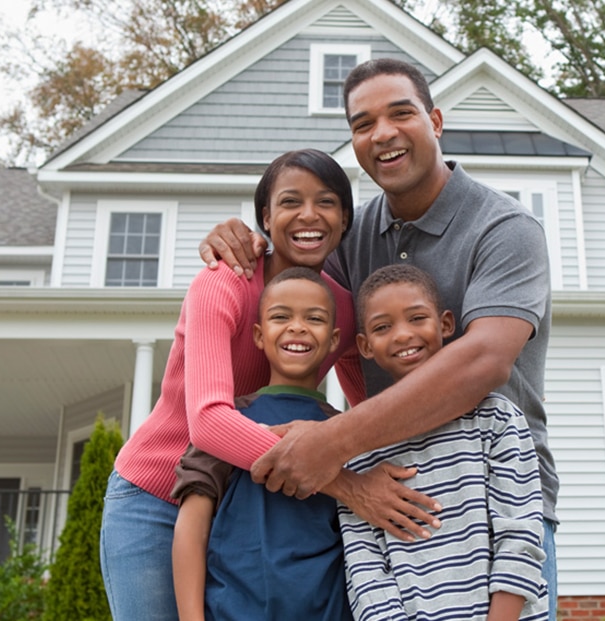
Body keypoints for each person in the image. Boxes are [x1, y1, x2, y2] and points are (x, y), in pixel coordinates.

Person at [200, 58, 559, 617]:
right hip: (383, 500)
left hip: (492, 510)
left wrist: (333, 441)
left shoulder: (505, 229)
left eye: (401, 113)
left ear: (435, 121)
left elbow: (483, 361)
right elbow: (296, 290)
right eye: (363, 123)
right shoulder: (352, 237)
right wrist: (246, 238)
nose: (383, 133)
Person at [101, 148, 441, 621]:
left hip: (248, 505)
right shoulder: (223, 283)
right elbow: (208, 425)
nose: (308, 215)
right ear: (264, 216)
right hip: (154, 499)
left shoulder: (340, 307)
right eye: (289, 202)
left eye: (325, 202)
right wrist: (342, 480)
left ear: (345, 219)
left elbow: (373, 408)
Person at [342, 264, 547, 621]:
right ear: (365, 345)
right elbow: (366, 574)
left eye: (417, 318)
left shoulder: (496, 420)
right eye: (382, 327)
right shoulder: (359, 452)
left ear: (446, 324)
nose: (403, 335)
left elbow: (519, 537)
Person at [172, 268, 355, 621]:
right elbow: (191, 527)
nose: (297, 327)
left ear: (334, 340)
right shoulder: (229, 420)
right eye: (281, 316)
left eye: (313, 318)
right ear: (259, 335)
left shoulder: (345, 432)